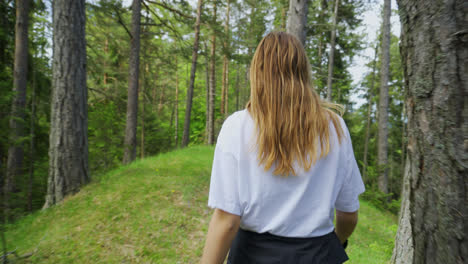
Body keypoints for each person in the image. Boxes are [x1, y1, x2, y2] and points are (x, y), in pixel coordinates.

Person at [200, 31, 365, 264]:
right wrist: (336, 241)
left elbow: (227, 221)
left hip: (252, 255)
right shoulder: (334, 127)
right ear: (303, 72)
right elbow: (348, 215)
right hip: (318, 255)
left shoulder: (237, 126)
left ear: (257, 72)